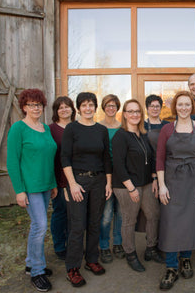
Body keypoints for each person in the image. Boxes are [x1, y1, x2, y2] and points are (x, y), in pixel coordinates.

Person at [156, 91, 195, 290]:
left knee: (189, 221)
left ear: (192, 107)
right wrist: (162, 185)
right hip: (171, 181)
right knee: (171, 223)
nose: (184, 108)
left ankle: (186, 259)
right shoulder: (166, 130)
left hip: (194, 181)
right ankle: (171, 267)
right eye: (180, 105)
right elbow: (160, 159)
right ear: (175, 107)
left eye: (187, 104)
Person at [7, 88, 57, 292]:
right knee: (40, 226)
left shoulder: (45, 128)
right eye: (31, 105)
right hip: (30, 188)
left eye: (38, 105)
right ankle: (37, 272)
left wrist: (53, 183)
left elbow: (49, 159)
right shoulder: (18, 129)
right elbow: (12, 161)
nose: (35, 108)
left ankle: (31, 262)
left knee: (37, 226)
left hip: (46, 186)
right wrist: (19, 190)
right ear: (24, 107)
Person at [61, 92, 112, 287]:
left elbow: (106, 157)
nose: (88, 108)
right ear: (78, 108)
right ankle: (72, 268)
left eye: (91, 105)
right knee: (77, 225)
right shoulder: (71, 129)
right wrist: (71, 184)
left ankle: (91, 260)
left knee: (94, 223)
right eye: (84, 105)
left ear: (95, 107)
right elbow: (64, 158)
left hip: (99, 181)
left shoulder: (101, 130)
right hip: (78, 182)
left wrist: (108, 182)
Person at [112, 99, 164, 273]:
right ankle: (130, 254)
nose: (134, 114)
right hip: (127, 185)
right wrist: (131, 188)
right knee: (129, 219)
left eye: (137, 111)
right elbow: (118, 165)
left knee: (154, 214)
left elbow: (149, 160)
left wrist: (155, 178)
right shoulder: (120, 135)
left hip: (147, 183)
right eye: (131, 111)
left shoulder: (142, 134)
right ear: (125, 114)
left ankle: (151, 248)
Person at [49, 96, 76, 261]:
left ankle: (73, 244)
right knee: (60, 213)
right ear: (56, 111)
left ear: (72, 109)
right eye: (60, 107)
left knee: (75, 215)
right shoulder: (50, 130)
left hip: (77, 179)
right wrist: (52, 182)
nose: (64, 110)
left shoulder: (77, 127)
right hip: (59, 179)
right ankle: (59, 246)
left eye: (67, 107)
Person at [98, 94, 124, 263]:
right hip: (103, 175)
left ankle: (118, 243)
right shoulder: (98, 128)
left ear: (117, 108)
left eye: (114, 105)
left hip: (121, 175)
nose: (111, 108)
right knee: (106, 214)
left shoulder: (123, 128)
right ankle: (104, 245)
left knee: (121, 213)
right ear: (103, 107)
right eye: (108, 105)